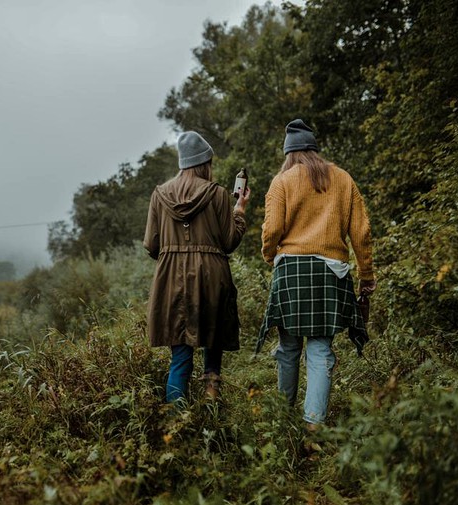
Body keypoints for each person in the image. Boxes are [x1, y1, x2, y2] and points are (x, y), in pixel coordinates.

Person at [257, 119, 376, 427]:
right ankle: (313, 423)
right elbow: (361, 233)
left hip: (292, 271)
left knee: (288, 348)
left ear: (289, 153)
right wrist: (366, 275)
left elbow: (271, 230)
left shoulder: (281, 182)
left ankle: (284, 415)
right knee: (321, 350)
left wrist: (271, 256)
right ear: (314, 149)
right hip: (330, 272)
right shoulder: (342, 179)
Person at [144, 131, 250, 404]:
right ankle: (212, 405)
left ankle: (177, 427)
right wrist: (239, 211)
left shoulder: (159, 195)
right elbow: (228, 241)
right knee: (212, 338)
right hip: (211, 276)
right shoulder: (217, 194)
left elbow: (151, 245)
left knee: (180, 355)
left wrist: (175, 254)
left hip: (171, 279)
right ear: (205, 164)